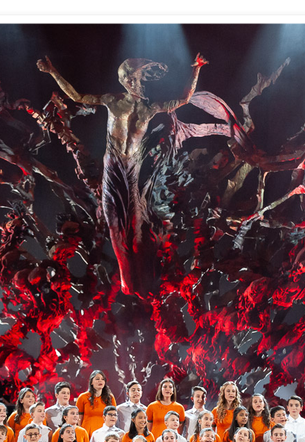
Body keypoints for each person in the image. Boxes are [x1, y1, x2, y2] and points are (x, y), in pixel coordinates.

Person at [37, 52, 208, 299]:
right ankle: (128, 280)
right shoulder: (113, 100)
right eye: (136, 78)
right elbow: (77, 97)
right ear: (127, 80)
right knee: (114, 219)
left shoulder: (150, 108)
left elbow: (183, 99)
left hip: (131, 169)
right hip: (113, 165)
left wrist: (196, 69)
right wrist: (52, 71)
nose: (139, 83)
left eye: (141, 79)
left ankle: (144, 278)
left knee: (135, 222)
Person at [76, 370, 117, 438]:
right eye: (97, 379)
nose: (100, 381)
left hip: (105, 434)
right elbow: (78, 419)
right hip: (87, 433)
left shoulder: (110, 397)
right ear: (91, 382)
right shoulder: (83, 397)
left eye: (102, 379)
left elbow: (114, 417)